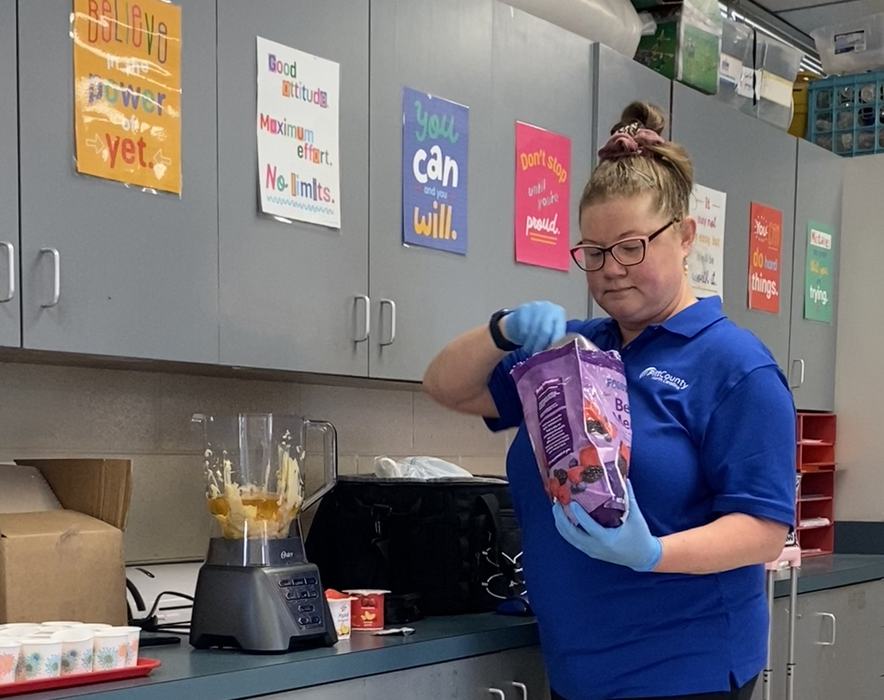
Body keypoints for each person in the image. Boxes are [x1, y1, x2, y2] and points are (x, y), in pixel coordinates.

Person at [423, 101, 796, 700]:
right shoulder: (572, 352)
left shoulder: (734, 366)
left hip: (684, 672)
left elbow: (762, 530)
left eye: (629, 247)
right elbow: (446, 387)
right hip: (579, 669)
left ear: (684, 236)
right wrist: (502, 331)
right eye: (592, 253)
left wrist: (652, 553)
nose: (609, 271)